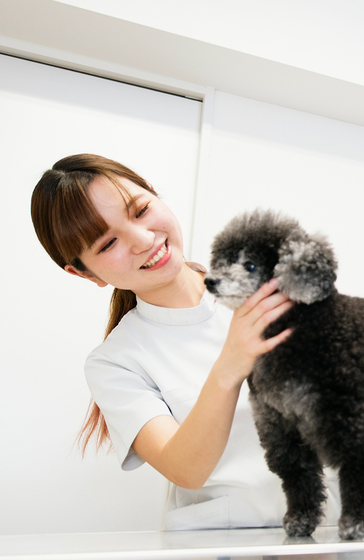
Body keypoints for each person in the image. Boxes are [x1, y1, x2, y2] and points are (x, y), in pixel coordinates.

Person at [31, 154, 339, 530]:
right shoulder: (115, 361)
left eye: (141, 210)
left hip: (330, 531)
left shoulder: (265, 281)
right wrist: (231, 363)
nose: (144, 240)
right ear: (83, 272)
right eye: (108, 243)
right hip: (224, 545)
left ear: (154, 192)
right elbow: (185, 469)